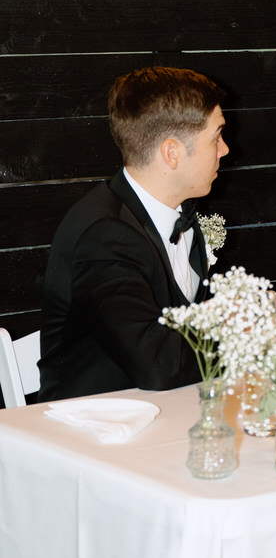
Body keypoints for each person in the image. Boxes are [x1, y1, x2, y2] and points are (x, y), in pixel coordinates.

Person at [39, 67, 228, 401]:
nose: (225, 149)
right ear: (172, 153)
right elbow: (158, 364)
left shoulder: (182, 212)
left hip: (170, 411)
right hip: (90, 431)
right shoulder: (104, 235)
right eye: (216, 138)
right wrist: (245, 328)